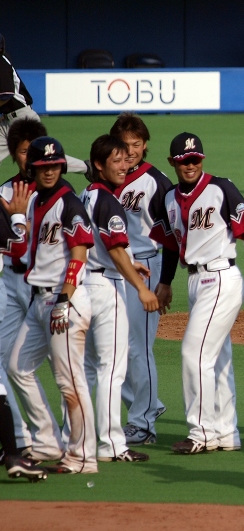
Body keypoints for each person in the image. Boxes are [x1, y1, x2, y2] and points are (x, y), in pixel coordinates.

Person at [150, 132, 244, 454]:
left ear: (201, 159)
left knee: (194, 353)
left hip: (221, 278)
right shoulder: (168, 199)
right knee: (217, 359)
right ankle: (225, 433)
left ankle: (201, 432)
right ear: (173, 163)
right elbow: (170, 247)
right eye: (183, 161)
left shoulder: (221, 188)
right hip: (194, 281)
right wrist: (165, 283)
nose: (190, 165)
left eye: (194, 159)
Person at [8, 136, 97, 474]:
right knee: (18, 366)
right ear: (33, 168)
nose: (49, 171)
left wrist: (65, 298)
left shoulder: (67, 202)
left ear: (62, 166)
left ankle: (83, 455)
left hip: (65, 300)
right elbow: (22, 255)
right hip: (40, 301)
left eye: (55, 165)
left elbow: (80, 250)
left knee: (69, 382)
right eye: (43, 166)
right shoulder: (33, 203)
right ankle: (46, 441)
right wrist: (18, 219)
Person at [80, 135, 159, 463]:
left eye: (127, 160)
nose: (125, 166)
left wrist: (129, 259)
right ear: (99, 165)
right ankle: (112, 444)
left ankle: (79, 439)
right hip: (106, 289)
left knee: (84, 368)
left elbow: (101, 243)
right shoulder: (110, 201)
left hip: (83, 286)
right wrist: (140, 287)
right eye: (117, 161)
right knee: (111, 368)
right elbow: (113, 249)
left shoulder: (87, 194)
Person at [110, 113, 172, 446]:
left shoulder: (155, 181)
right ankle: (148, 404)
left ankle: (143, 423)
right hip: (112, 268)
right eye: (125, 144)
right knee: (106, 346)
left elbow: (174, 229)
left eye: (137, 144)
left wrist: (166, 280)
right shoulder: (106, 177)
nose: (131, 150)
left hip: (147, 265)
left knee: (138, 347)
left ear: (145, 146)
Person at [0, 119, 44, 457]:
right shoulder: (4, 192)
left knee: (66, 364)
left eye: (35, 150)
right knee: (6, 362)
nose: (29, 158)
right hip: (10, 282)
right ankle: (19, 438)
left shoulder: (56, 191)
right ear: (15, 154)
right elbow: (12, 246)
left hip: (44, 284)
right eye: (24, 151)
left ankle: (74, 438)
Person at [0, 34, 87, 172]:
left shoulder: (1, 63)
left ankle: (87, 168)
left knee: (44, 153)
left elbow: (6, 95)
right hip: (6, 121)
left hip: (22, 119)